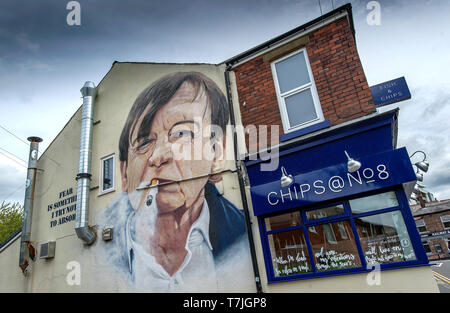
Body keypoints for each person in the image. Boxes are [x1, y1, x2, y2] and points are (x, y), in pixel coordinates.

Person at [99, 71, 250, 292]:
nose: (158, 156)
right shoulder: (104, 252)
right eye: (143, 142)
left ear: (216, 154)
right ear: (124, 173)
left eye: (181, 133)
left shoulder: (243, 238)